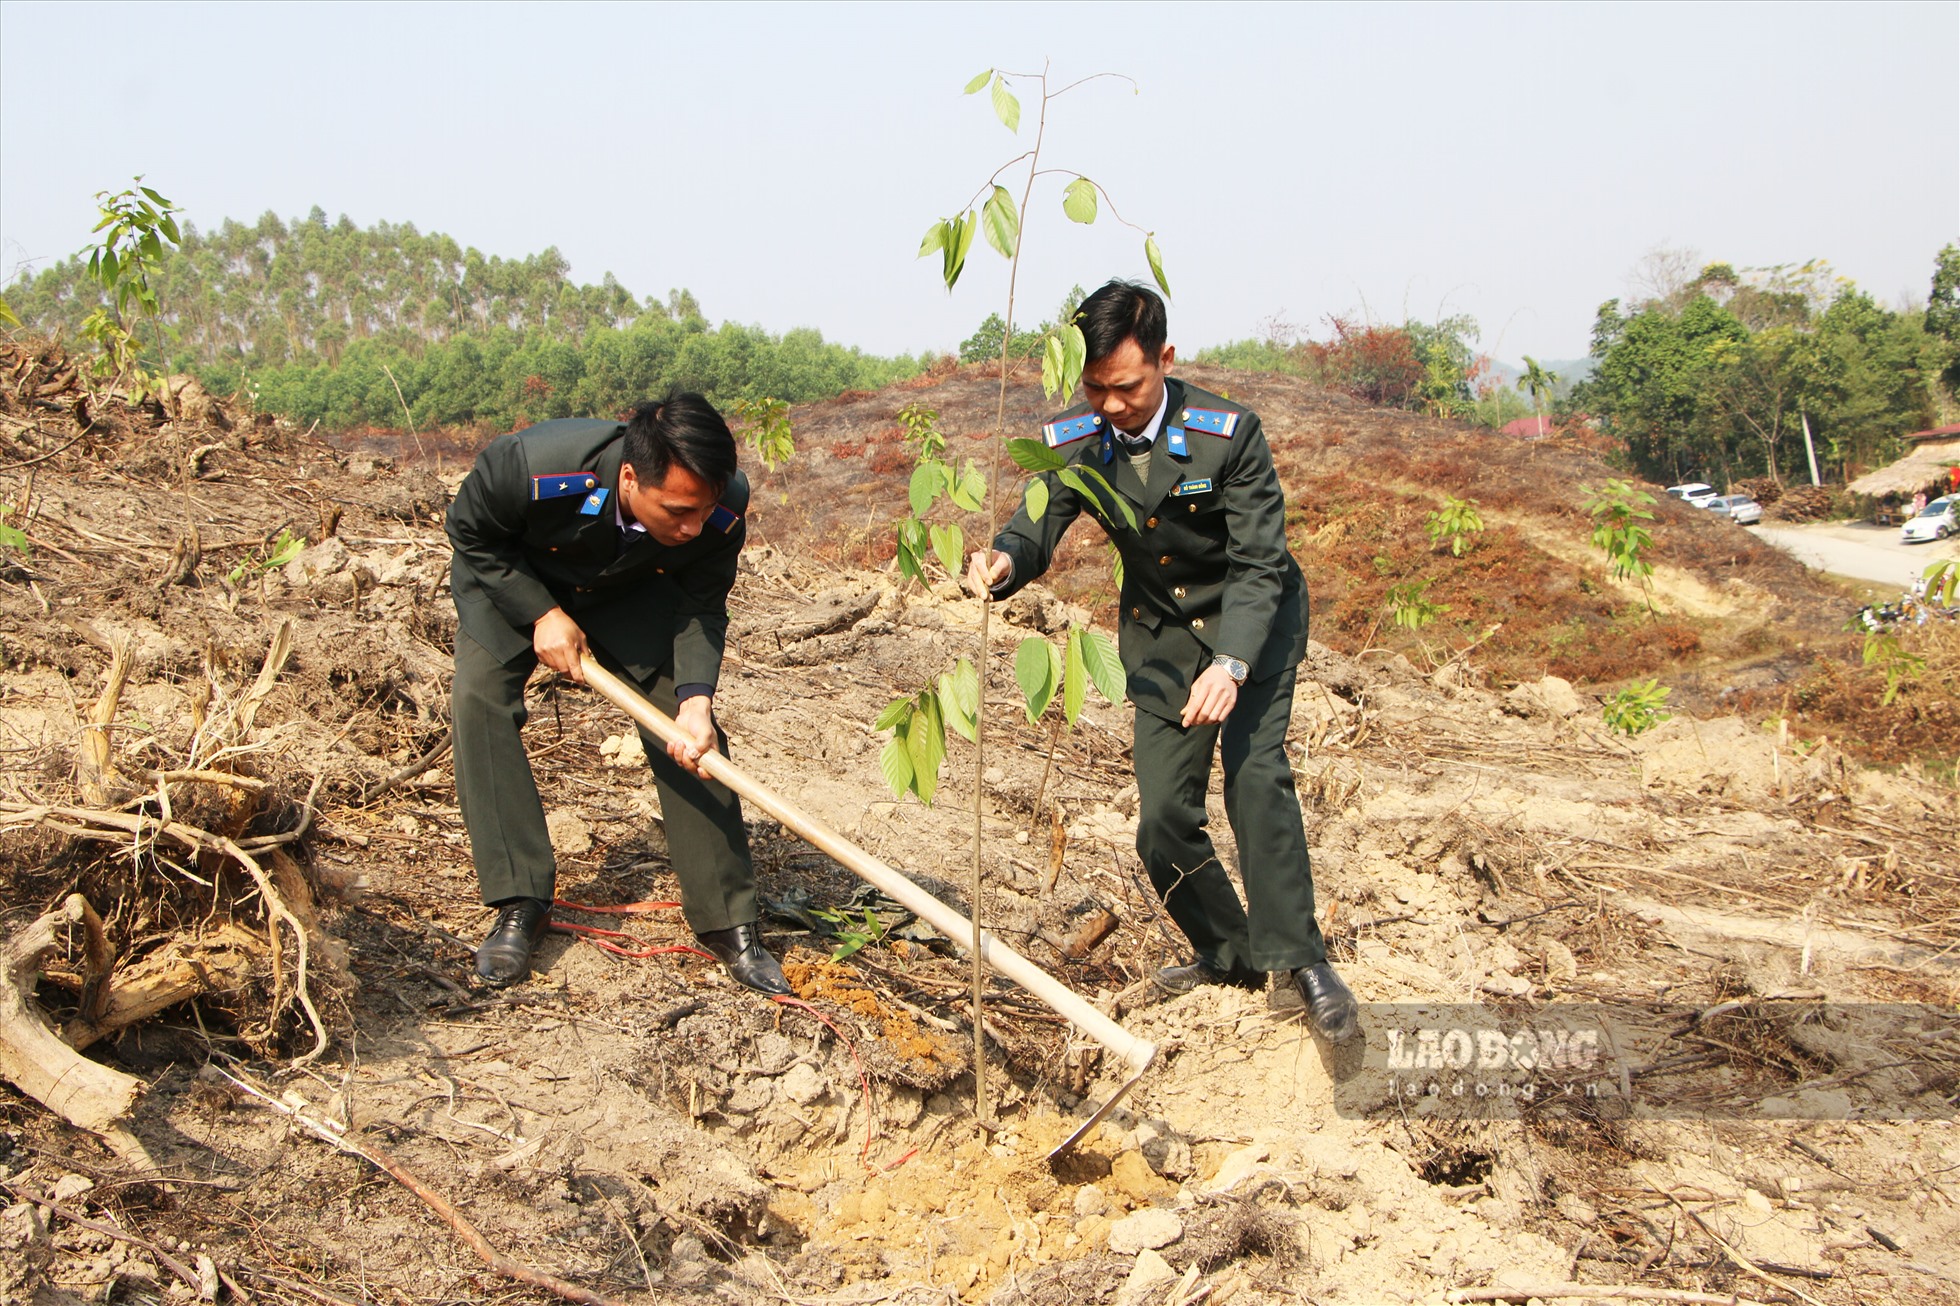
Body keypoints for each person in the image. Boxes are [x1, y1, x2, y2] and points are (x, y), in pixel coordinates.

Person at [964, 280, 1358, 1043]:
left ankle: (1301, 961)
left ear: (1165, 359)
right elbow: (1034, 525)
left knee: (1254, 777)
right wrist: (1004, 564)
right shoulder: (1076, 435)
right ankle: (1231, 953)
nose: (1113, 406)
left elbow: (1258, 564)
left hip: (1256, 627)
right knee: (1162, 821)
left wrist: (1234, 664)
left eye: (1129, 387)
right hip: (1165, 638)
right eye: (1097, 388)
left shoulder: (1227, 435)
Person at [445, 395, 788, 995]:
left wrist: (695, 700)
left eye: (701, 514)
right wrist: (542, 613)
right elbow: (471, 534)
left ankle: (729, 921)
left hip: (628, 591)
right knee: (478, 700)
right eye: (677, 512)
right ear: (630, 478)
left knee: (687, 737)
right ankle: (521, 900)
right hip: (516, 579)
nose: (690, 528)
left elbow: (702, 605)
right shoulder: (531, 465)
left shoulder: (720, 508)